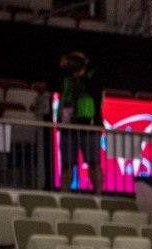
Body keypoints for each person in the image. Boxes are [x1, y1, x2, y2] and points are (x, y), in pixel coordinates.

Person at [56, 51, 103, 193]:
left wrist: (81, 75)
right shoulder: (65, 75)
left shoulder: (93, 75)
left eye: (78, 60)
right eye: (72, 59)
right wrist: (59, 68)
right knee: (67, 163)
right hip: (67, 124)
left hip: (89, 124)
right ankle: (64, 196)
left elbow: (95, 91)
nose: (74, 62)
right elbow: (50, 85)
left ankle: (98, 196)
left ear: (86, 61)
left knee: (93, 163)